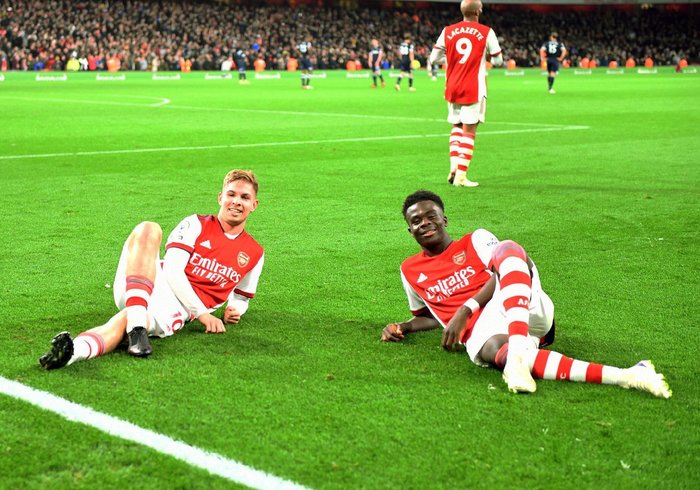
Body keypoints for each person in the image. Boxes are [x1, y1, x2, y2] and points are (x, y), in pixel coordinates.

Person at [380, 190, 671, 398]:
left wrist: (465, 309)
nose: (424, 223)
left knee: (508, 247)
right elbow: (430, 315)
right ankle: (629, 375)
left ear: (445, 220)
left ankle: (518, 349)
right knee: (500, 352)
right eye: (416, 221)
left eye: (431, 216)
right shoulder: (409, 270)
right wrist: (403, 326)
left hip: (515, 301)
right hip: (483, 332)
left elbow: (503, 270)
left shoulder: (476, 239)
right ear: (410, 231)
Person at [39, 170, 265, 369]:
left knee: (123, 319)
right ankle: (137, 326)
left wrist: (236, 309)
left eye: (244, 197)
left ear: (254, 205)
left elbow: (242, 297)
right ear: (220, 197)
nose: (236, 202)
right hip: (143, 280)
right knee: (148, 228)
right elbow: (173, 271)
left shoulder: (254, 252)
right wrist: (202, 314)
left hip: (175, 307)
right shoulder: (196, 224)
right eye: (231, 194)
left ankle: (71, 353)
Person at [429, 0, 503, 188]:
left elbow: (434, 58)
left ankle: (454, 167)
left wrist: (453, 59)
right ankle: (461, 177)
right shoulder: (487, 32)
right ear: (478, 11)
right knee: (469, 130)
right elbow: (499, 61)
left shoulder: (447, 31)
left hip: (453, 85)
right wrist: (480, 58)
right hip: (473, 88)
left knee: (456, 125)